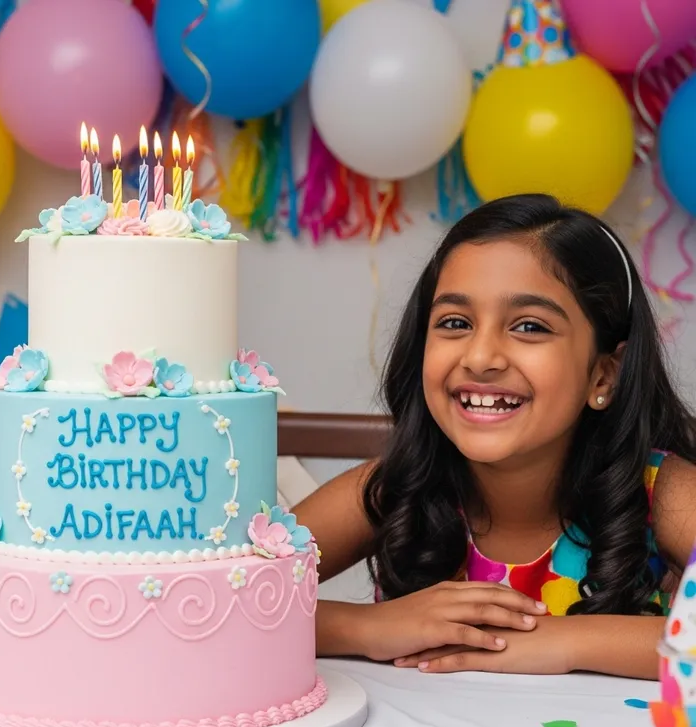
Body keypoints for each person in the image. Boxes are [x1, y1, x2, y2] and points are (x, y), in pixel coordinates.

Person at [296, 193, 696, 680]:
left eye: (529, 326)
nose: (481, 357)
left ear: (603, 375)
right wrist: (366, 627)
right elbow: (218, 603)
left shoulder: (661, 493)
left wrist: (568, 641)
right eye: (455, 323)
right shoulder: (391, 488)